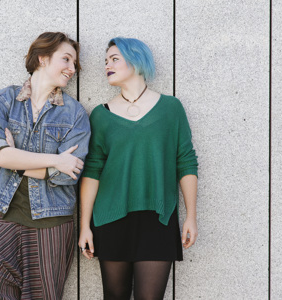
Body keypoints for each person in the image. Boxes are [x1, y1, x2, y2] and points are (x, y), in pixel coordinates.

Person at [0, 32, 91, 300]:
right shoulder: (5, 100)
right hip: (2, 210)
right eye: (66, 59)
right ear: (42, 58)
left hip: (52, 219)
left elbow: (67, 176)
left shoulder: (75, 114)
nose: (72, 69)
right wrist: (56, 158)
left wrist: (15, 158)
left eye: (75, 64)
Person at [78, 37, 199, 300]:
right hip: (110, 218)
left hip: (158, 218)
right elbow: (92, 171)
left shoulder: (171, 108)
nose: (107, 65)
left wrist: (191, 215)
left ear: (136, 61)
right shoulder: (100, 114)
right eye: (105, 61)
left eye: (114, 59)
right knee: (114, 296)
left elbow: (186, 161)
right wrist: (84, 225)